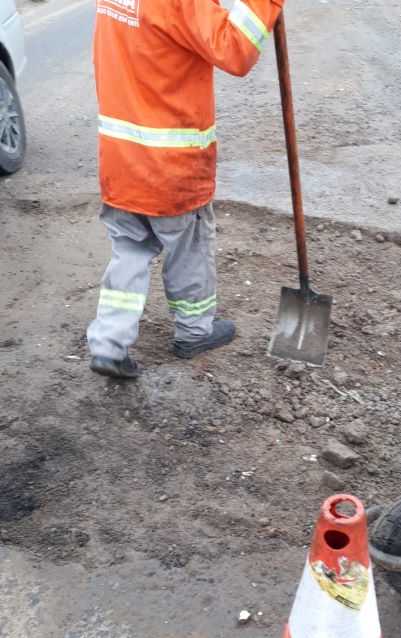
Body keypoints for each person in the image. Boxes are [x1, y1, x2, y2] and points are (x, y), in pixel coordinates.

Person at [88, 0, 285, 379]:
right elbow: (236, 49)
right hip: (171, 164)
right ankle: (195, 331)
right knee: (189, 247)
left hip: (120, 158)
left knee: (129, 247)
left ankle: (109, 344)